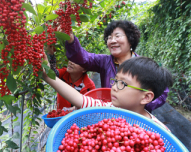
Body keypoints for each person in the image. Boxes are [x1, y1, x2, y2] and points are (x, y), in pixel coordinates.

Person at [42, 56, 173, 131]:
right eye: (115, 81)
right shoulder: (107, 108)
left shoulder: (158, 131)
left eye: (122, 83)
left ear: (146, 97)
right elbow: (79, 99)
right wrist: (48, 77)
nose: (114, 87)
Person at [64, 20, 169, 112]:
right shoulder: (104, 61)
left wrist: (139, 105)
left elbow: (162, 91)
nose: (112, 41)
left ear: (130, 40)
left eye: (117, 36)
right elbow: (83, 57)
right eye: (109, 38)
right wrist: (71, 40)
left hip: (134, 116)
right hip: (109, 113)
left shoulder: (143, 66)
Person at [46, 45, 96, 110]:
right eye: (71, 59)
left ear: (84, 69)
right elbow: (52, 74)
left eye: (77, 61)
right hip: (60, 116)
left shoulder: (89, 86)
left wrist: (71, 110)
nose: (71, 62)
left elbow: (90, 108)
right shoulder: (64, 74)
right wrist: (51, 54)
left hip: (77, 119)